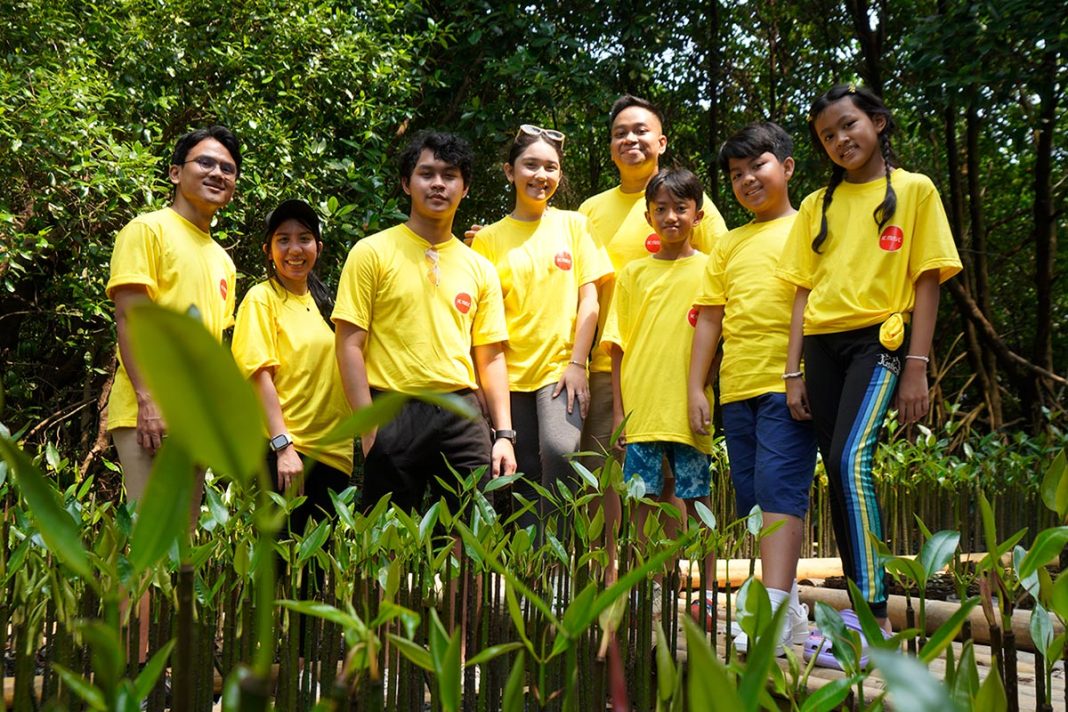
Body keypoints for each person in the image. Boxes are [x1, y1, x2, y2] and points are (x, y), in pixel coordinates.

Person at [776, 85, 962, 655]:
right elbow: (802, 293)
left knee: (849, 460)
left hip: (879, 342)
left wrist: (917, 367)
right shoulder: (816, 205)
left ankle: (873, 616)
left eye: (849, 125)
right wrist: (792, 372)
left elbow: (926, 281)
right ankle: (863, 612)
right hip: (822, 348)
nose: (840, 140)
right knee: (838, 470)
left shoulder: (914, 190)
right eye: (827, 136)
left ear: (878, 123)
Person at [105, 124, 242, 662]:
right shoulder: (148, 229)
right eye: (205, 163)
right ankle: (128, 667)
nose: (216, 173)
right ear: (175, 172)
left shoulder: (223, 259)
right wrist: (147, 399)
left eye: (227, 169)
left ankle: (157, 663)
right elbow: (130, 318)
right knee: (145, 541)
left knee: (178, 549)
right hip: (150, 412)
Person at [333, 131, 517, 513]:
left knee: (474, 535)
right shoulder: (371, 252)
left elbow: (491, 356)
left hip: (462, 411)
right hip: (392, 406)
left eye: (449, 175)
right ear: (406, 183)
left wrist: (504, 434)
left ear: (464, 188)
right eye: (426, 173)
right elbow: (349, 343)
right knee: (388, 541)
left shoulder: (480, 268)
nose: (438, 184)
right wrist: (369, 431)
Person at [688, 123, 817, 655]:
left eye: (757, 167)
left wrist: (802, 372)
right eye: (736, 175)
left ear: (786, 167)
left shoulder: (811, 227)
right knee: (756, 502)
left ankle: (772, 610)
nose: (747, 180)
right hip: (738, 390)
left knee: (780, 490)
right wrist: (699, 386)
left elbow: (818, 303)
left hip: (789, 386)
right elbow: (711, 320)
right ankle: (785, 610)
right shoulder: (729, 243)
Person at [471, 126, 612, 530]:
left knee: (561, 452)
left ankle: (558, 566)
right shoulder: (488, 240)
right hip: (508, 375)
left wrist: (578, 362)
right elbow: (479, 322)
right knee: (524, 471)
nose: (541, 175)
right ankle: (528, 571)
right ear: (509, 172)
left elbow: (590, 298)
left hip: (559, 370)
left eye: (550, 167)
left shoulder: (575, 225)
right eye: (530, 165)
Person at [601, 167, 715, 603]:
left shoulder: (710, 270)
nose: (671, 217)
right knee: (642, 498)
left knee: (697, 496)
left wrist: (703, 390)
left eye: (680, 208)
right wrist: (618, 413)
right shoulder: (632, 274)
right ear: (648, 217)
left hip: (690, 407)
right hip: (642, 408)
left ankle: (704, 587)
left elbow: (717, 342)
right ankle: (652, 581)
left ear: (698, 215)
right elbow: (617, 347)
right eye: (661, 209)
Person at [231, 199, 353, 536]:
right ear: (268, 250)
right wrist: (283, 446)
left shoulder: (324, 303)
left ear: (319, 247)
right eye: (283, 240)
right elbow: (259, 375)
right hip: (286, 454)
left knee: (316, 573)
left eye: (304, 238)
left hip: (333, 455)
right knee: (278, 567)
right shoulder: (261, 298)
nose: (294, 249)